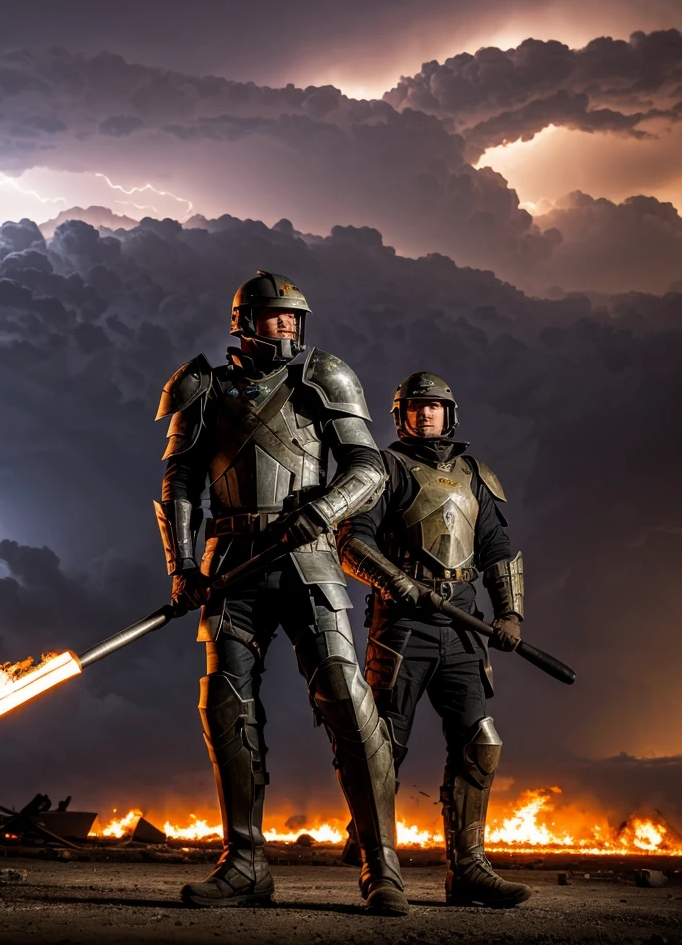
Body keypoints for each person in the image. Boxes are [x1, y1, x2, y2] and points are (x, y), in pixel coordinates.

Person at [154, 270, 407, 914]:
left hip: (311, 561)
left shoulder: (326, 376)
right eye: (275, 317)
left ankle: (382, 867)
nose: (288, 327)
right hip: (230, 564)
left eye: (294, 317)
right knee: (226, 706)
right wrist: (182, 567)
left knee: (348, 700)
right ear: (243, 321)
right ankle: (244, 865)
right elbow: (180, 481)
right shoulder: (201, 387)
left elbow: (368, 466)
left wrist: (324, 510)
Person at [336, 371, 532, 908]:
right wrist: (400, 584)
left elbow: (497, 548)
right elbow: (351, 543)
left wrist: (510, 612)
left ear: (451, 414)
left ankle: (468, 869)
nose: (426, 415)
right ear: (401, 415)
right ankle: (380, 871)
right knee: (381, 750)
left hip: (464, 626)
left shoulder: (475, 475)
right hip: (402, 627)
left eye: (435, 407)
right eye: (416, 407)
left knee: (480, 742)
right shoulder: (384, 469)